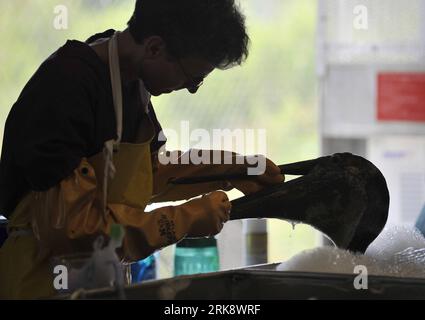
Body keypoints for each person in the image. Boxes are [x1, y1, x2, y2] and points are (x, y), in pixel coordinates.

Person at [0, 0, 283, 299]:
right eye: (192, 77)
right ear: (154, 48)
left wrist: (230, 169)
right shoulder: (65, 88)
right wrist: (184, 219)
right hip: (41, 284)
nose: (190, 88)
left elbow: (144, 176)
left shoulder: (131, 82)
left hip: (98, 283)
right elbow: (75, 230)